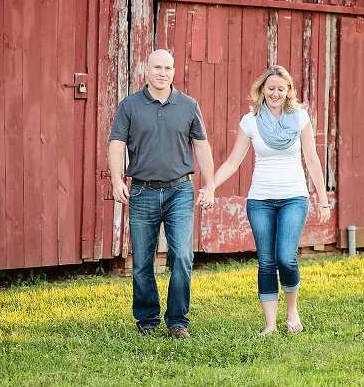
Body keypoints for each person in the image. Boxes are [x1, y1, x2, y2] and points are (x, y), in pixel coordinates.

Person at [198, 65, 330, 335]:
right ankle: (270, 324)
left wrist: (322, 198)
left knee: (286, 258)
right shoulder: (251, 121)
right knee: (267, 262)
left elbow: (312, 159)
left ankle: (292, 310)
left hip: (294, 198)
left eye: (281, 89)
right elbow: (233, 162)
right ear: (262, 89)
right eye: (271, 88)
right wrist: (211, 186)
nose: (275, 93)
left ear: (288, 90)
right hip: (260, 200)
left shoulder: (300, 118)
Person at [108, 49, 215, 339]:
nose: (162, 73)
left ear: (173, 71)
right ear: (146, 70)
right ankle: (147, 320)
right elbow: (116, 143)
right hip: (142, 191)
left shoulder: (189, 105)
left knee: (182, 256)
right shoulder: (129, 106)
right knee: (143, 261)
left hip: (180, 190)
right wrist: (117, 180)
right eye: (157, 67)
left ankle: (178, 321)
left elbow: (201, 145)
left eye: (168, 68)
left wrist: (210, 184)